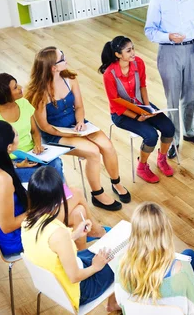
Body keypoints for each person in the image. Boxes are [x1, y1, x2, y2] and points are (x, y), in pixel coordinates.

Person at [0, 121, 106, 257]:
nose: (19, 136)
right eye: (17, 134)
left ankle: (81, 256)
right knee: (75, 193)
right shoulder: (1, 179)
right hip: (16, 238)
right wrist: (39, 209)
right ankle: (94, 232)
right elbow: (7, 227)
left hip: (22, 222)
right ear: (9, 147)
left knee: (79, 211)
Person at [25, 47, 127, 211]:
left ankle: (116, 183)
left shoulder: (70, 79)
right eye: (62, 58)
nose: (66, 59)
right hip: (55, 133)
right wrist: (69, 133)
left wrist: (80, 122)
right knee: (93, 151)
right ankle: (98, 194)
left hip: (76, 125)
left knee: (107, 145)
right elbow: (44, 126)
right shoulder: (38, 93)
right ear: (54, 67)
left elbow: (79, 106)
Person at [21, 167, 119, 313]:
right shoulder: (58, 233)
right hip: (78, 290)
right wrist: (95, 267)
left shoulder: (27, 222)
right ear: (58, 198)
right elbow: (74, 277)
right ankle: (114, 304)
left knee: (106, 250)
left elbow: (50, 248)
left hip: (53, 284)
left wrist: (74, 234)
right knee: (121, 257)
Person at [145, 0, 194, 160]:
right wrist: (168, 37)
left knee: (189, 94)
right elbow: (150, 30)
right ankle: (173, 140)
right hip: (169, 51)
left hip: (191, 51)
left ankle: (189, 131)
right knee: (172, 98)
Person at [99, 36, 176, 183]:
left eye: (133, 48)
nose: (133, 52)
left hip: (140, 105)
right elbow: (115, 104)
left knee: (168, 128)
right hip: (122, 114)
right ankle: (142, 167)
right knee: (151, 136)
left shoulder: (138, 63)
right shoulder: (110, 74)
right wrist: (136, 117)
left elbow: (142, 86)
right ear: (118, 54)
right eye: (128, 50)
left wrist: (147, 108)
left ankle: (162, 158)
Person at [115, 202, 194, 315]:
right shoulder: (182, 270)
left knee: (189, 255)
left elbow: (121, 303)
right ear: (166, 232)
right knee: (189, 257)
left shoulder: (120, 265)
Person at [0, 73, 65, 183]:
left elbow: (35, 131)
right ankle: (56, 197)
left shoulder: (23, 103)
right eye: (15, 88)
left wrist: (37, 145)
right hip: (12, 163)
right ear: (5, 96)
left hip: (33, 154)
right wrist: (17, 164)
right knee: (43, 176)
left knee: (56, 164)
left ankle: (61, 196)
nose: (21, 88)